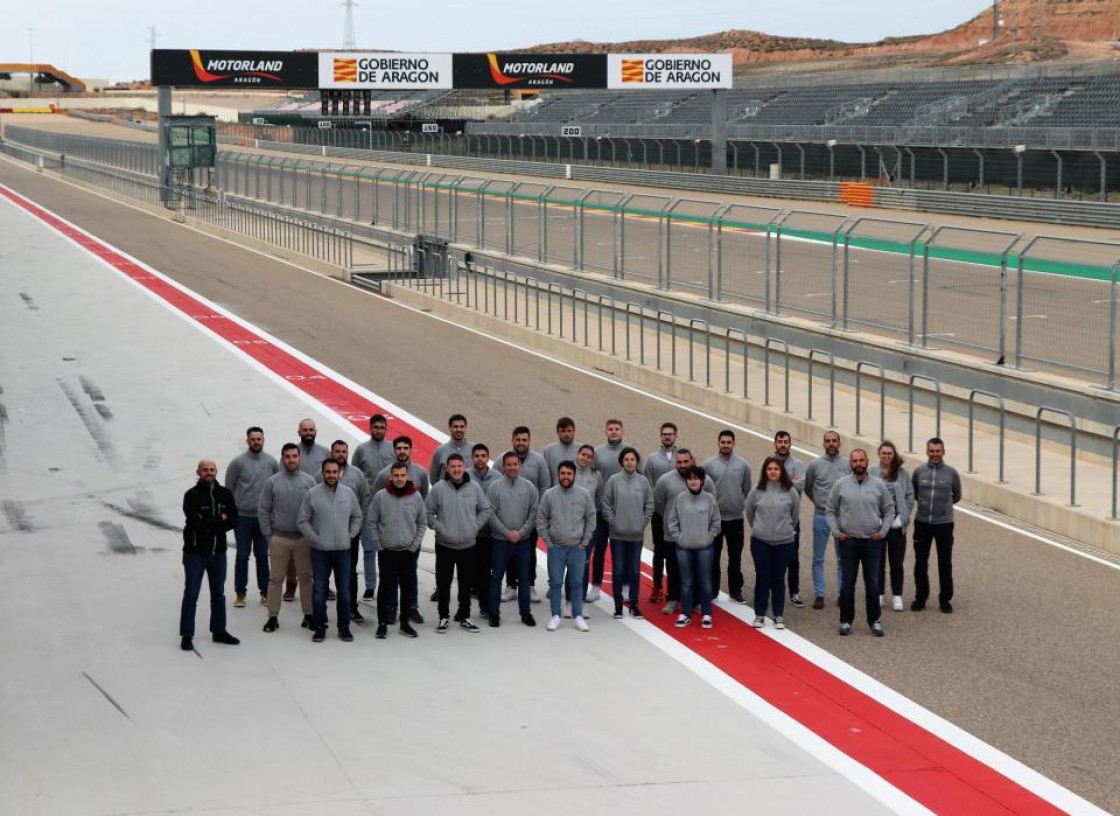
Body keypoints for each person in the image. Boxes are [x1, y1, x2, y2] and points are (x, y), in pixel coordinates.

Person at [826, 449, 893, 637]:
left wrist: (883, 532)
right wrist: (836, 532)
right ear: (851, 463)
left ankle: (874, 621)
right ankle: (846, 621)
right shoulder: (841, 485)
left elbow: (889, 509)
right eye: (854, 461)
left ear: (867, 461)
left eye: (861, 460)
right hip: (848, 542)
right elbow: (830, 510)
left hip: (872, 542)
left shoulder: (879, 485)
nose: (858, 464)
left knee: (872, 583)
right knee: (847, 583)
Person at [426, 453, 493, 633]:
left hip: (468, 545)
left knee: (466, 583)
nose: (456, 470)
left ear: (464, 467)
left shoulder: (474, 487)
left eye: (459, 466)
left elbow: (485, 509)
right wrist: (440, 528)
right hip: (445, 545)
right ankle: (443, 617)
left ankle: (465, 616)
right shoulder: (438, 489)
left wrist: (474, 527)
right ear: (447, 469)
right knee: (443, 583)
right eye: (452, 466)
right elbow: (427, 513)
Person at [298, 458, 363, 643]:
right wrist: (314, 537)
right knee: (319, 590)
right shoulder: (312, 494)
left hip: (343, 551)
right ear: (322, 473)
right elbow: (302, 520)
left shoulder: (348, 493)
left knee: (344, 591)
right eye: (328, 472)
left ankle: (344, 628)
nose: (332, 475)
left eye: (335, 472)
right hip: (320, 552)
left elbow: (358, 516)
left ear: (339, 473)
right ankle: (319, 627)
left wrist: (350, 535)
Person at [180, 459, 239, 650]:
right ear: (198, 472)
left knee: (219, 593)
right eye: (205, 470)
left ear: (216, 472)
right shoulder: (191, 495)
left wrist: (212, 522)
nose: (209, 473)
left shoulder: (225, 494)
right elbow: (195, 522)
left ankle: (219, 631)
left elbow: (233, 520)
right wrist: (219, 519)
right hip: (195, 554)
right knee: (191, 594)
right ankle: (187, 635)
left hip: (218, 553)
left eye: (212, 470)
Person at [259, 443, 316, 632]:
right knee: (275, 579)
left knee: (306, 578)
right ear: (282, 459)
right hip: (279, 539)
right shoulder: (272, 482)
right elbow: (264, 510)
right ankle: (272, 617)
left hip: (303, 540)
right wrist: (269, 536)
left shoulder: (309, 481)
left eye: (294, 456)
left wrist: (311, 534)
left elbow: (315, 510)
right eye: (287, 457)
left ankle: (308, 615)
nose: (291, 460)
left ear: (299, 458)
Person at [373, 435, 430, 625]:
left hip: (410, 537)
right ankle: (390, 609)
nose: (402, 451)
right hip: (388, 540)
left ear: (411, 450)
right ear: (394, 450)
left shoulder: (421, 473)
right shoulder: (383, 475)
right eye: (399, 448)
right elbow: (378, 504)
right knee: (389, 577)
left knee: (410, 574)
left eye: (406, 448)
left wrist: (415, 540)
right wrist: (380, 541)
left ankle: (411, 608)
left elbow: (422, 501)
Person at [366, 462, 426, 639]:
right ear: (390, 477)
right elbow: (371, 522)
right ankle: (382, 624)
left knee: (407, 588)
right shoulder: (380, 497)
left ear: (407, 476)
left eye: (402, 475)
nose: (399, 479)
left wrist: (414, 546)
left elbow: (422, 523)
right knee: (384, 588)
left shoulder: (415, 497)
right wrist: (379, 544)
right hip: (387, 551)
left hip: (408, 551)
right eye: (396, 475)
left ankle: (405, 623)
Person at [653, 449, 715, 615]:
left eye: (685, 462)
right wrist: (674, 531)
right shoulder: (665, 481)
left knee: (695, 570)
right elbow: (659, 505)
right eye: (679, 462)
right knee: (673, 568)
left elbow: (712, 506)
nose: (682, 465)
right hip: (672, 536)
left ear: (692, 461)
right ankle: (673, 599)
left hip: (696, 536)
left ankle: (696, 601)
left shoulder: (705, 481)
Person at [537, 460, 597, 632]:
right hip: (556, 548)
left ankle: (577, 615)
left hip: (577, 548)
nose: (565, 476)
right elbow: (541, 521)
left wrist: (584, 542)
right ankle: (555, 615)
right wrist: (549, 544)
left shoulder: (584, 494)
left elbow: (591, 519)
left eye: (569, 474)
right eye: (562, 473)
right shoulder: (549, 495)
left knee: (577, 583)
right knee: (555, 583)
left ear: (574, 475)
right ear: (558, 475)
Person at [317, 440, 372, 625]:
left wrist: (357, 525)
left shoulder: (357, 474)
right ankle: (319, 612)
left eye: (344, 451)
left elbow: (365, 497)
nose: (341, 454)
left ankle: (351, 608)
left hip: (349, 534)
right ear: (331, 452)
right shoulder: (320, 475)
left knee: (349, 573)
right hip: (324, 534)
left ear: (348, 453)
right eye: (337, 451)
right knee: (321, 574)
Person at [225, 426, 279, 608]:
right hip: (242, 518)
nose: (256, 442)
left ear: (263, 440)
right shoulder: (237, 463)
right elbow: (229, 490)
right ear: (247, 441)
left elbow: (276, 489)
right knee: (242, 555)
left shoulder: (271, 462)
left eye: (259, 439)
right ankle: (240, 593)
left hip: (263, 518)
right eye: (253, 439)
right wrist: (232, 515)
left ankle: (265, 592)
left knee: (263, 555)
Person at [744, 457, 801, 629]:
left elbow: (795, 516)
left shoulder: (791, 492)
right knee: (762, 578)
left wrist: (785, 530)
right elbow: (749, 513)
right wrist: (760, 529)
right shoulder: (756, 491)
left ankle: (778, 615)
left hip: (784, 543)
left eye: (776, 468)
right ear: (765, 471)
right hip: (761, 542)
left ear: (781, 471)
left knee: (778, 578)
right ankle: (760, 614)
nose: (773, 472)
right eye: (769, 469)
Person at [486, 451, 540, 628]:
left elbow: (534, 513)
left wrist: (521, 532)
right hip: (500, 541)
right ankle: (493, 613)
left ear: (520, 466)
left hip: (523, 542)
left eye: (514, 464)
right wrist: (506, 533)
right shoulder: (494, 487)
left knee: (524, 579)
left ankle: (525, 613)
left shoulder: (529, 487)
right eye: (508, 465)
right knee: (496, 578)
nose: (511, 468)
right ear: (503, 466)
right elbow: (490, 513)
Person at [601, 447, 654, 620]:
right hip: (617, 536)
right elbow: (606, 504)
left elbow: (650, 505)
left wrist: (642, 523)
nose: (630, 462)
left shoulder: (643, 481)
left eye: (632, 459)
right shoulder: (613, 481)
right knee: (617, 570)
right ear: (622, 462)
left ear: (637, 462)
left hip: (636, 535)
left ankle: (634, 605)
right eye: (626, 459)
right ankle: (618, 605)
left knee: (634, 570)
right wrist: (614, 522)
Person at [910, 437, 962, 613]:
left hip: (944, 524)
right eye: (931, 451)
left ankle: (945, 599)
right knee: (920, 562)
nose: (935, 454)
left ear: (943, 452)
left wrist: (943, 509)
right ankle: (921, 597)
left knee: (945, 563)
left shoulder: (952, 473)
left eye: (938, 451)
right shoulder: (919, 472)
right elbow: (914, 493)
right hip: (923, 522)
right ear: (927, 452)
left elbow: (957, 496)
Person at [667, 466, 721, 629]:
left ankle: (706, 614)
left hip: (705, 548)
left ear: (702, 481)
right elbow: (672, 521)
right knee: (686, 582)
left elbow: (716, 522)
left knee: (705, 582)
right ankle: (685, 614)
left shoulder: (709, 499)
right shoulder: (680, 499)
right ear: (686, 481)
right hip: (684, 548)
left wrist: (709, 537)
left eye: (696, 478)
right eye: (690, 478)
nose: (693, 481)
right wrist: (679, 538)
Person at [703, 429, 752, 604]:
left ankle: (735, 590)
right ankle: (713, 590)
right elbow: (704, 492)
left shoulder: (743, 465)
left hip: (736, 519)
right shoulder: (708, 465)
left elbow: (747, 490)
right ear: (718, 443)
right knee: (713, 557)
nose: (725, 445)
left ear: (733, 444)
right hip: (715, 519)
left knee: (735, 557)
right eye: (722, 442)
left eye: (728, 442)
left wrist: (739, 505)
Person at [588, 419, 634, 602]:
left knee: (622, 550)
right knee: (598, 549)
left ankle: (625, 585)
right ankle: (596, 586)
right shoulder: (597, 453)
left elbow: (640, 476)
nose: (614, 432)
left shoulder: (631, 452)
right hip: (600, 510)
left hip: (622, 511)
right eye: (610, 429)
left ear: (622, 431)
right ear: (605, 432)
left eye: (617, 429)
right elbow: (589, 477)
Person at [503, 426, 550, 604]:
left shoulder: (538, 461)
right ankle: (510, 586)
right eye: (518, 440)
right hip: (508, 516)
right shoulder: (503, 459)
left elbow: (545, 486)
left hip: (531, 518)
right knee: (509, 552)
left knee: (529, 552)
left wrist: (538, 512)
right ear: (512, 440)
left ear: (529, 441)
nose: (521, 443)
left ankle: (529, 585)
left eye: (524, 440)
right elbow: (497, 484)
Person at [804, 431, 850, 610]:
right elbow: (808, 487)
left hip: (842, 517)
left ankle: (842, 594)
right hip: (821, 516)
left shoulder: (847, 464)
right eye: (828, 441)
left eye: (834, 441)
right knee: (818, 558)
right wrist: (818, 502)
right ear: (823, 444)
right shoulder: (815, 464)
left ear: (839, 443)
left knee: (843, 558)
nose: (831, 444)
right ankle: (820, 594)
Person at [352, 413, 394, 605]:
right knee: (369, 550)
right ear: (370, 428)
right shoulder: (361, 450)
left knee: (389, 550)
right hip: (368, 507)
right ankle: (370, 585)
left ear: (386, 429)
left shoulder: (394, 449)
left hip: (390, 506)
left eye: (382, 427)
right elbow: (353, 476)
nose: (379, 430)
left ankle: (389, 583)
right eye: (375, 427)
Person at [870, 441, 915, 613]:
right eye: (884, 453)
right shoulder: (872, 472)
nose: (887, 456)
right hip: (878, 524)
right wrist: (876, 518)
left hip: (897, 526)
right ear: (879, 454)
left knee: (896, 563)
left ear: (894, 454)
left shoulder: (902, 473)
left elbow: (910, 497)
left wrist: (902, 518)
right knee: (878, 562)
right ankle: (879, 593)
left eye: (890, 453)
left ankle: (897, 596)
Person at [291, 418, 330, 600]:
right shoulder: (292, 453)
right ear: (299, 432)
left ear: (315, 431)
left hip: (319, 510)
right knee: (293, 549)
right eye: (304, 430)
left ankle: (323, 585)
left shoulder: (325, 452)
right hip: (296, 508)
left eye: (311, 429)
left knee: (319, 551)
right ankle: (291, 585)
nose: (308, 432)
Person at [769, 431, 807, 608]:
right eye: (780, 442)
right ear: (775, 444)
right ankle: (773, 589)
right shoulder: (767, 462)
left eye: (786, 441)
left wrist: (779, 480)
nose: (783, 444)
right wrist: (790, 480)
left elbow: (801, 484)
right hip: (771, 518)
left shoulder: (798, 464)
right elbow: (765, 483)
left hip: (791, 519)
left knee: (792, 557)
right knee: (771, 557)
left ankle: (794, 592)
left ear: (790, 443)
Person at [643, 422, 678, 604]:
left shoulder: (683, 457)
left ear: (675, 436)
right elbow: (648, 486)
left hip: (680, 516)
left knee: (677, 552)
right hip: (659, 514)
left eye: (670, 434)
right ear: (660, 436)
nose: (667, 437)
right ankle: (657, 587)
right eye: (664, 434)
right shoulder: (652, 460)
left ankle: (676, 590)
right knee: (660, 551)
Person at [469, 443, 501, 618]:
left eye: (483, 455)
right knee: (474, 571)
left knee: (489, 571)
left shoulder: (497, 477)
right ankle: (473, 608)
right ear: (472, 457)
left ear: (488, 457)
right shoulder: (465, 476)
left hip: (492, 533)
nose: (480, 459)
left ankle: (487, 605)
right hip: (472, 534)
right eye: (477, 455)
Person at [429, 413, 473, 484]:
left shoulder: (474, 450)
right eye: (455, 427)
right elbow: (433, 479)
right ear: (450, 428)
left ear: (466, 428)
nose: (459, 429)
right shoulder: (440, 451)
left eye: (462, 427)